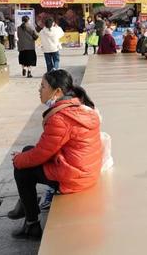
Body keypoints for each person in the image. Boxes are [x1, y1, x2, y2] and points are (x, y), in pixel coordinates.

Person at [8, 69, 102, 240]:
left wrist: (18, 160)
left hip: (74, 177)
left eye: (43, 86)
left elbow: (41, 155)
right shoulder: (78, 107)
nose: (39, 90)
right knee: (28, 150)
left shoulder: (61, 118)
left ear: (57, 91)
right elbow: (44, 149)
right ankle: (24, 204)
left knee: (21, 169)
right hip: (85, 170)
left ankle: (32, 225)